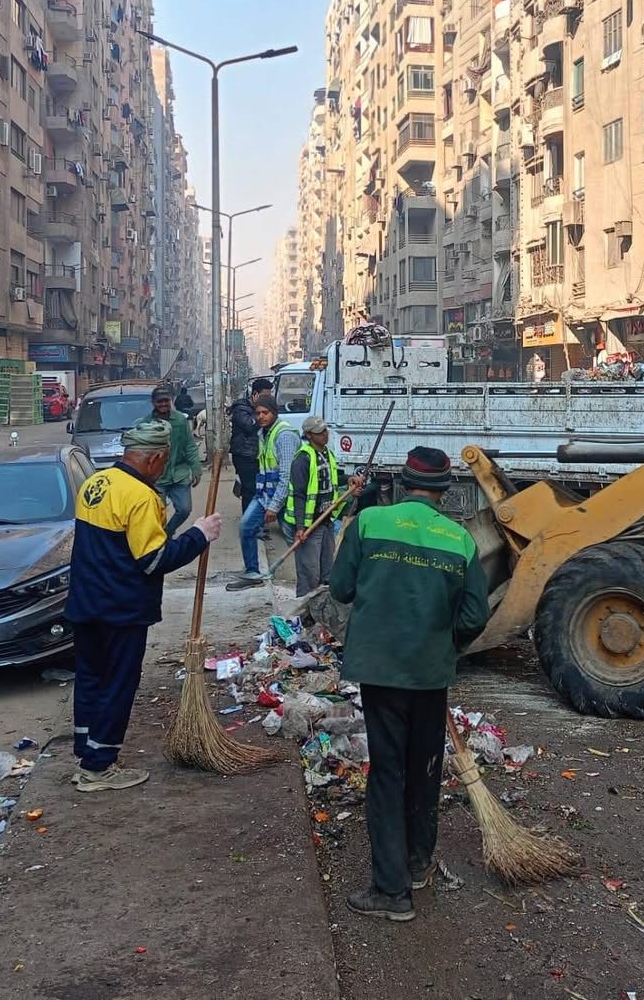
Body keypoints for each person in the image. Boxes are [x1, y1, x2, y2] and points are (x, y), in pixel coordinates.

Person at [329, 446, 490, 922]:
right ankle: (417, 864)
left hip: (381, 669)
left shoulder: (370, 523)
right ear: (444, 490)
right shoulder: (459, 540)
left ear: (402, 483)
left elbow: (340, 589)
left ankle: (391, 892)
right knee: (423, 769)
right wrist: (444, 642)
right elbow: (475, 615)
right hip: (430, 672)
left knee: (387, 774)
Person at [66, 420, 223, 792]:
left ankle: (88, 752)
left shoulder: (96, 483)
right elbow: (153, 560)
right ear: (155, 457)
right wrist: (199, 535)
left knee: (91, 679)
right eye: (164, 461)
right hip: (120, 608)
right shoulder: (141, 496)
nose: (163, 468)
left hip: (86, 602)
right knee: (118, 683)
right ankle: (99, 768)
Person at [227, 394, 300, 592]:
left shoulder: (284, 435)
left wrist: (274, 506)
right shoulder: (263, 434)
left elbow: (286, 475)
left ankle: (312, 578)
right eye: (257, 413)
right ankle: (252, 572)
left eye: (265, 413)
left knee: (296, 538)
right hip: (265, 493)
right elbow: (264, 467)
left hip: (286, 497)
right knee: (246, 527)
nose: (260, 417)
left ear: (274, 412)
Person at [287, 415, 361, 596]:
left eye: (325, 431)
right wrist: (299, 527)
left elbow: (332, 478)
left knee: (327, 571)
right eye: (320, 433)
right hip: (309, 525)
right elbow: (299, 495)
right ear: (309, 435)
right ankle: (303, 614)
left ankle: (320, 612)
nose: (325, 435)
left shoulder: (328, 454)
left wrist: (349, 480)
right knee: (309, 574)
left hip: (326, 520)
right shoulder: (303, 459)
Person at [145, 385, 201, 534]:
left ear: (171, 401)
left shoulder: (180, 421)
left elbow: (189, 445)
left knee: (184, 509)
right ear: (153, 403)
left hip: (179, 473)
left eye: (166, 401)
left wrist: (196, 468)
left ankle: (168, 532)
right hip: (157, 478)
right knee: (156, 514)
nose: (163, 404)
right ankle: (159, 540)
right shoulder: (146, 424)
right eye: (159, 402)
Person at [228, 378, 272, 515]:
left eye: (269, 396)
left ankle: (255, 520)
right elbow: (250, 426)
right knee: (250, 490)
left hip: (258, 456)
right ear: (255, 395)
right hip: (244, 455)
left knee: (259, 489)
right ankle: (249, 523)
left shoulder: (261, 410)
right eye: (265, 396)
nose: (268, 399)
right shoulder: (241, 409)